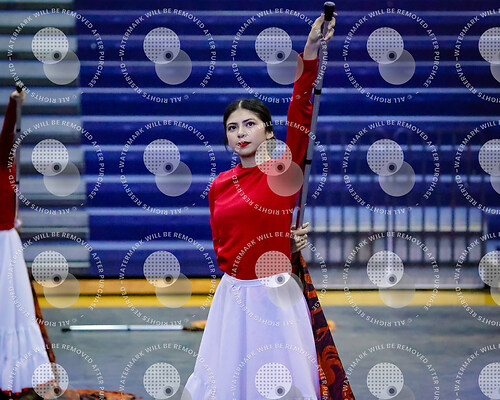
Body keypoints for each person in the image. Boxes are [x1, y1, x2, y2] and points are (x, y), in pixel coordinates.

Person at [185, 14, 337, 399]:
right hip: (233, 296)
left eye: (249, 124)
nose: (241, 133)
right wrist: (283, 241)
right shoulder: (218, 185)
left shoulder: (282, 170)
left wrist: (311, 52)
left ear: (268, 130)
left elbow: (301, 110)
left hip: (276, 295)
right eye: (232, 127)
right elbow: (225, 245)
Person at [0, 89, 52, 399]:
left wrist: (13, 105)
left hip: (7, 246)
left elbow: (9, 136)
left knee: (14, 311)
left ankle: (16, 374)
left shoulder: (4, 162)